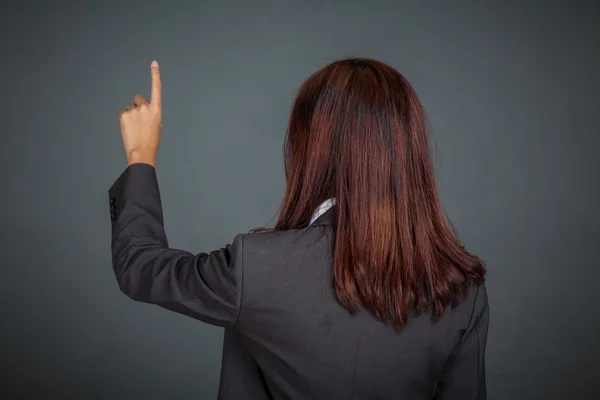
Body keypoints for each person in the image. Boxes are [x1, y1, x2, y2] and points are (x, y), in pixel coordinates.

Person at [109, 58, 489, 400]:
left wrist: (141, 155)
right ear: (408, 150)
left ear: (310, 146)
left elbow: (140, 268)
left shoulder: (259, 267)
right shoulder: (460, 287)